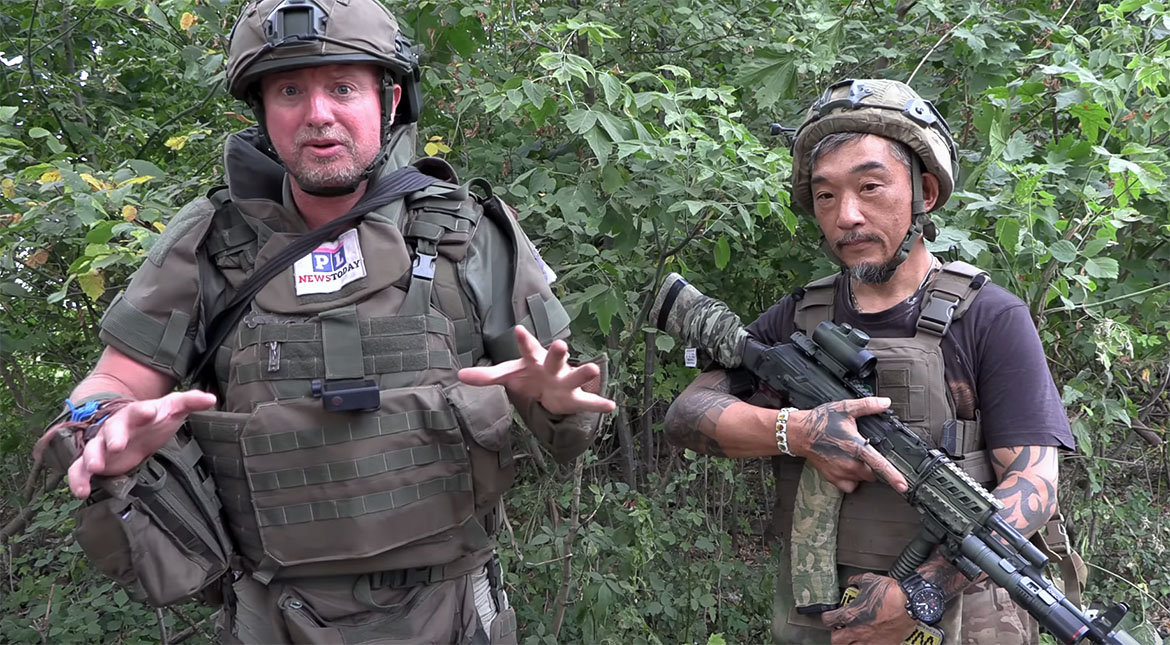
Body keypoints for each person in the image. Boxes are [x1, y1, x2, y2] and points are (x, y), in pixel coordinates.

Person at [33, 0, 614, 642]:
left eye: (343, 87)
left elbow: (570, 421)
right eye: (289, 91)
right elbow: (109, 384)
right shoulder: (211, 243)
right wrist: (101, 422)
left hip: (449, 612)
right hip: (271, 614)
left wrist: (558, 404)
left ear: (388, 100)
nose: (317, 115)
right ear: (262, 112)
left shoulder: (464, 232)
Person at [664, 79, 1075, 645]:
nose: (847, 216)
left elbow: (1034, 483)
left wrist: (921, 593)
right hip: (818, 610)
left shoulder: (987, 317)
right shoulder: (799, 317)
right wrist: (797, 432)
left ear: (924, 192)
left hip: (954, 616)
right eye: (826, 195)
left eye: (871, 187)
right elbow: (687, 414)